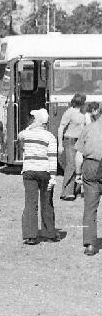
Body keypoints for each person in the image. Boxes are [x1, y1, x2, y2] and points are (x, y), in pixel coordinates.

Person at [18, 108, 58, 245]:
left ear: (37, 121)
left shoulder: (27, 134)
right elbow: (52, 158)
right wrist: (53, 177)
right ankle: (49, 233)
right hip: (45, 171)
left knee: (30, 203)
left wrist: (31, 126)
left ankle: (30, 235)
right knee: (47, 202)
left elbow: (20, 136)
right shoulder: (50, 137)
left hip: (29, 171)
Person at [74, 101, 102, 256]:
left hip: (91, 167)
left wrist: (78, 174)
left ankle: (90, 244)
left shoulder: (88, 128)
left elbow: (79, 155)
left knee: (90, 207)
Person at [57, 93, 86, 201]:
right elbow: (61, 128)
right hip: (70, 141)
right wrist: (60, 145)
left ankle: (76, 191)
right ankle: (66, 192)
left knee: (80, 165)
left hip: (80, 142)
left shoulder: (83, 113)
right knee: (71, 165)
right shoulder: (69, 112)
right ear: (80, 102)